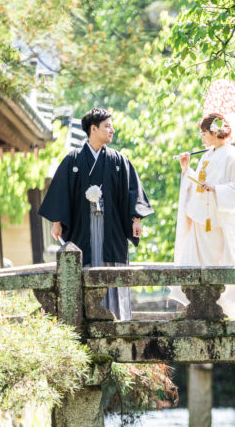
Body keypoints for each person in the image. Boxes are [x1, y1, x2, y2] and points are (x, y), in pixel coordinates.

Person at [39, 108, 154, 320]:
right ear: (93, 129)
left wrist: (136, 219)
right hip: (83, 227)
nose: (112, 130)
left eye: (111, 126)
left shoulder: (118, 161)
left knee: (113, 270)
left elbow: (132, 191)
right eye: (107, 126)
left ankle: (117, 318)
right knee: (83, 261)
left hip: (112, 229)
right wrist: (57, 222)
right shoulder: (73, 160)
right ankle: (85, 318)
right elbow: (61, 191)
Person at [168, 113, 235, 320]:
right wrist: (186, 168)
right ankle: (199, 305)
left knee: (219, 262)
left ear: (215, 133)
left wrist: (215, 189)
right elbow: (198, 183)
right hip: (201, 218)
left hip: (219, 221)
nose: (202, 138)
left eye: (204, 133)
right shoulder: (207, 155)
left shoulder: (232, 155)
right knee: (196, 260)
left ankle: (223, 308)